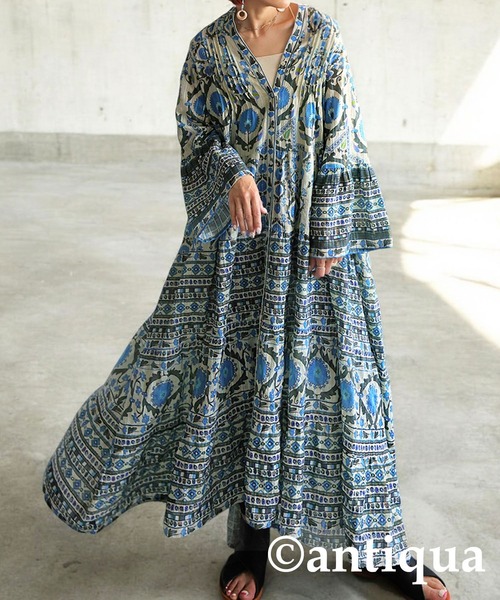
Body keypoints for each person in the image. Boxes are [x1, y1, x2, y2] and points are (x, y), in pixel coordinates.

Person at [42, 1, 451, 599]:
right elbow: (196, 134)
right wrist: (233, 171)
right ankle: (254, 547)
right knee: (229, 382)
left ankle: (376, 549)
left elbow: (345, 133)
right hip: (238, 248)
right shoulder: (209, 48)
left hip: (313, 244)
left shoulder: (322, 36)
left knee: (344, 393)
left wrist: (331, 225)